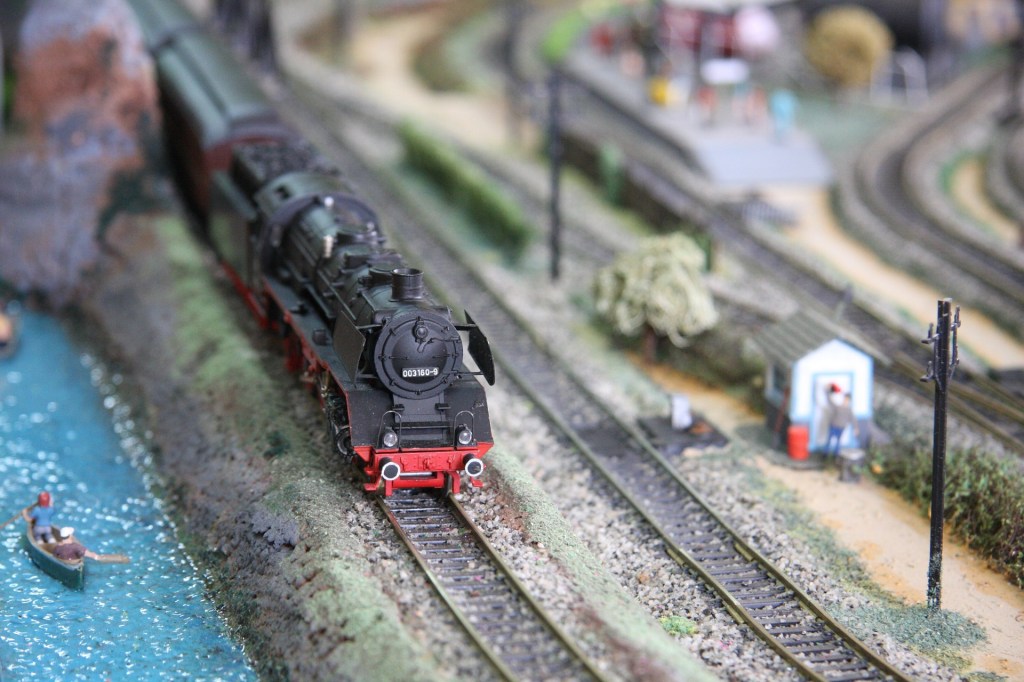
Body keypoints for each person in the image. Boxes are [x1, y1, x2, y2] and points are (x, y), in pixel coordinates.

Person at [825, 393, 857, 461]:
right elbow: (830, 402)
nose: (846, 401)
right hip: (833, 426)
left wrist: (855, 428)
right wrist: (828, 392)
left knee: (838, 442)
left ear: (849, 401)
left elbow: (853, 419)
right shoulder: (838, 407)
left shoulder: (849, 410)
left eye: (847, 400)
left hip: (841, 428)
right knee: (829, 441)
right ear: (844, 399)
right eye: (845, 399)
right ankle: (825, 455)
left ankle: (836, 456)